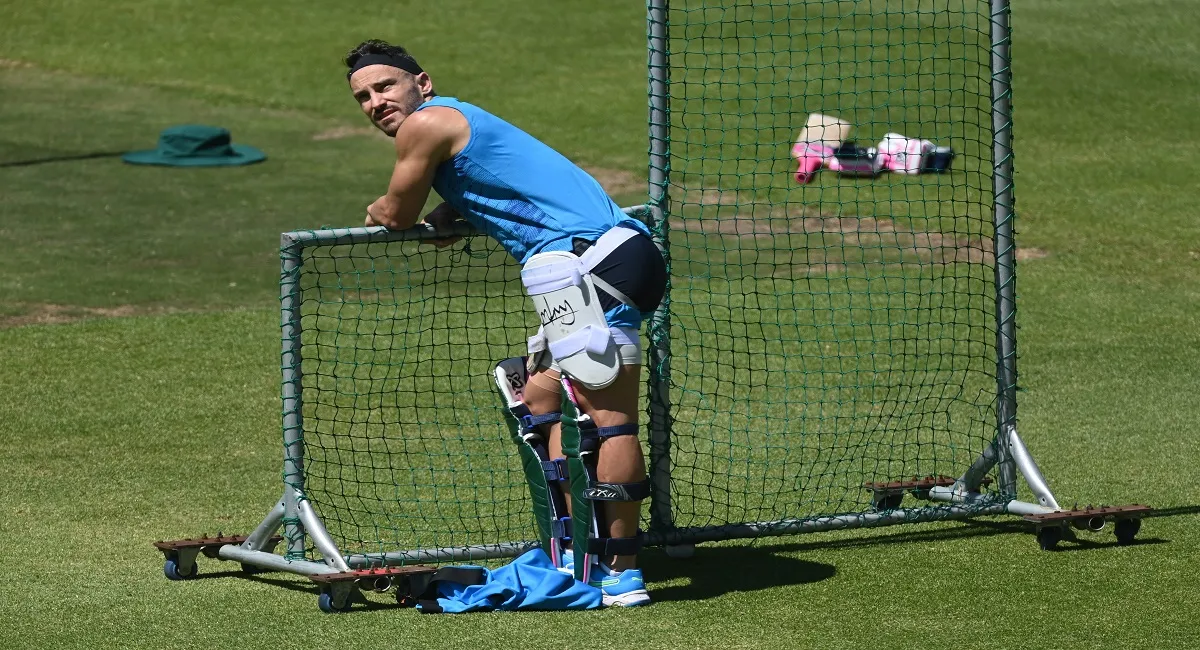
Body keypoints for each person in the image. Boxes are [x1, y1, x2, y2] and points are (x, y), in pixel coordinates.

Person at [344, 39, 666, 607]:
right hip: (608, 261)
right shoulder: (461, 119)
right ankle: (577, 551)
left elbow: (396, 214)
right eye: (363, 97)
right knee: (541, 398)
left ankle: (622, 572)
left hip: (589, 265)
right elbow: (509, 181)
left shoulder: (426, 124)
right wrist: (457, 207)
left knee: (612, 421)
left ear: (422, 82)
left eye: (385, 86)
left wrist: (382, 211)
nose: (376, 103)